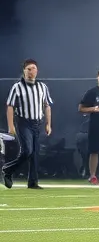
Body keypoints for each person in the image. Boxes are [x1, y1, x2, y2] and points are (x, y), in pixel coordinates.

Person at [4, 59, 53, 190]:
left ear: (37, 71)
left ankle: (32, 182)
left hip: (37, 123)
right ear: (24, 71)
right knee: (27, 151)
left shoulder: (42, 87)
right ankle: (8, 170)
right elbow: (10, 106)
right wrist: (11, 126)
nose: (32, 71)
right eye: (29, 69)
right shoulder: (17, 87)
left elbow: (47, 106)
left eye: (34, 69)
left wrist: (48, 124)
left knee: (35, 153)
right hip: (23, 122)